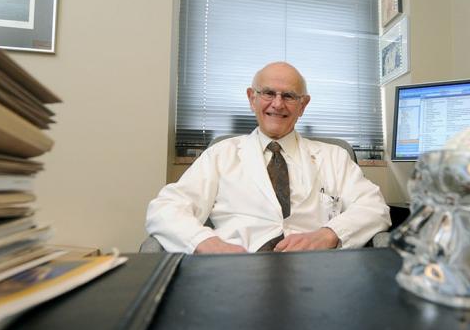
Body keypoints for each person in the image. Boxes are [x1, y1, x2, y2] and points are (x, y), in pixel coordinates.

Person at [146, 61, 391, 254]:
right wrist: (205, 242)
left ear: (303, 105)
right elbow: (165, 208)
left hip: (316, 270)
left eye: (289, 96)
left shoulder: (333, 157)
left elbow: (373, 207)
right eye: (268, 93)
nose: (277, 104)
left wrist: (329, 234)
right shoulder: (221, 155)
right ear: (252, 98)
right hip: (238, 270)